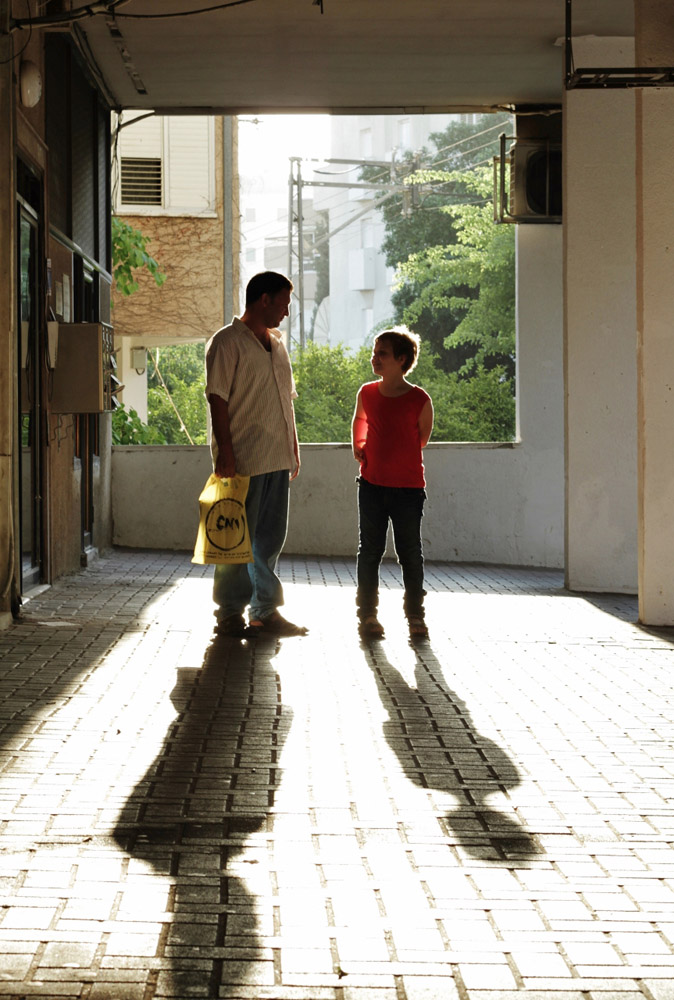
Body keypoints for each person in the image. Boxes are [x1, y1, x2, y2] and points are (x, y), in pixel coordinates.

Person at [205, 271, 307, 638]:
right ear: (263, 300)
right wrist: (225, 454)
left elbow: (286, 400)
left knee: (269, 539)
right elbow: (217, 397)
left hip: (277, 457)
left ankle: (264, 612)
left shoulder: (277, 346)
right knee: (235, 541)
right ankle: (230, 613)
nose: (286, 312)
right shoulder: (227, 342)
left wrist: (293, 447)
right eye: (282, 304)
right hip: (243, 458)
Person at [351, 328, 434, 639]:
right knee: (369, 551)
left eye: (382, 354)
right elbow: (360, 422)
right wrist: (359, 445)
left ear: (402, 360)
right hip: (371, 486)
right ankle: (367, 617)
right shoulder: (367, 394)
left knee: (410, 552)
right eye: (374, 352)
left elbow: (421, 438)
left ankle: (415, 616)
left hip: (409, 491)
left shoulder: (419, 399)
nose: (375, 358)